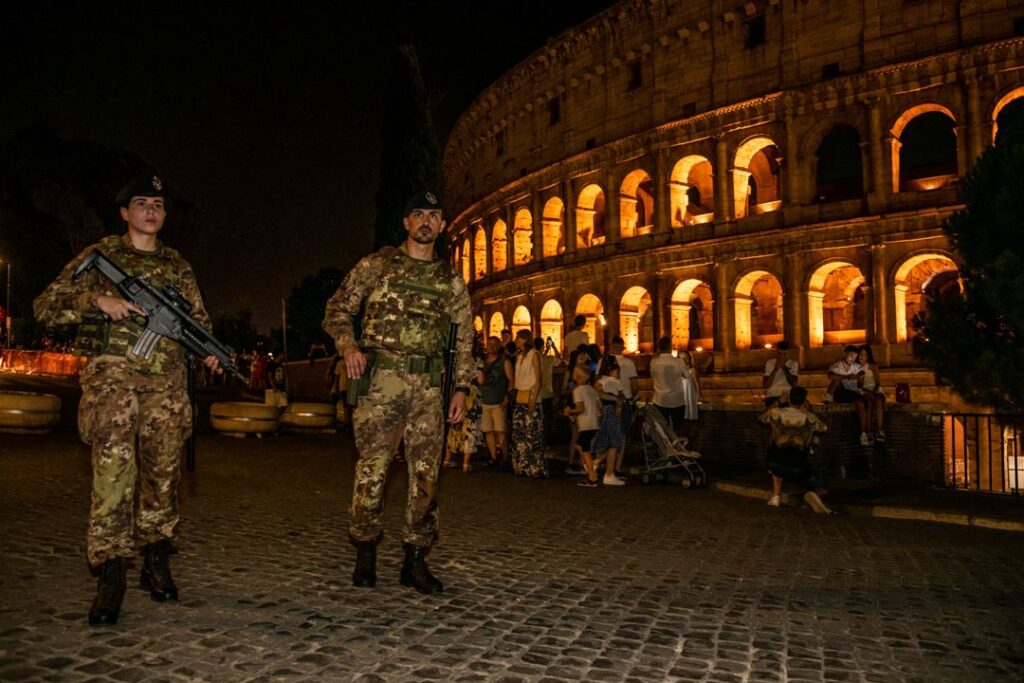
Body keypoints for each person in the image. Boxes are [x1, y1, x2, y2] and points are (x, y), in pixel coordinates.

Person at [32, 175, 221, 625]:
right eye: (141, 203)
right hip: (113, 387)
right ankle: (111, 574)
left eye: (157, 204)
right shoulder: (101, 258)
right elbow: (45, 306)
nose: (151, 211)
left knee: (163, 476)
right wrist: (96, 300)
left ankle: (156, 561)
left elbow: (198, 324)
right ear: (124, 212)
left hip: (167, 390)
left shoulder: (178, 266)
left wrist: (211, 353)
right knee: (113, 478)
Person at [322, 190, 473, 594]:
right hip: (380, 383)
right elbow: (337, 309)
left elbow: (464, 341)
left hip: (428, 387)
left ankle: (415, 559)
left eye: (434, 215)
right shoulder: (377, 265)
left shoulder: (450, 281)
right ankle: (366, 550)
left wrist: (460, 388)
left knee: (426, 475)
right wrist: (348, 346)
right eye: (418, 213)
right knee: (372, 469)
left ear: (441, 226)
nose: (426, 221)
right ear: (406, 222)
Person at [759, 386, 832, 513]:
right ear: (804, 400)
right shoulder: (809, 418)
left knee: (777, 451)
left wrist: (778, 402)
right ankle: (810, 492)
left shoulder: (776, 412)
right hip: (799, 465)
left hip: (775, 463)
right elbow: (824, 428)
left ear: (789, 399)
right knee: (811, 475)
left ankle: (776, 495)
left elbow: (761, 419)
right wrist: (807, 412)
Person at [510, 329, 548, 477]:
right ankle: (522, 465)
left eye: (518, 338)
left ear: (525, 339)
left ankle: (535, 466)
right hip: (520, 396)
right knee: (520, 435)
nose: (515, 341)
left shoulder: (534, 355)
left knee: (532, 434)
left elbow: (538, 379)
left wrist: (533, 401)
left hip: (530, 397)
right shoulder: (519, 356)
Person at [563, 360, 603, 487]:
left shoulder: (578, 391)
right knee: (581, 447)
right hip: (594, 423)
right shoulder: (591, 389)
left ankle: (592, 476)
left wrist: (569, 410)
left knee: (583, 449)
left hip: (585, 424)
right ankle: (591, 470)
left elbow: (580, 409)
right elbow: (599, 410)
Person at [826, 344, 871, 446]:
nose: (853, 359)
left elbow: (861, 374)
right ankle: (828, 397)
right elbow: (830, 375)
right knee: (836, 382)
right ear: (845, 353)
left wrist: (856, 377)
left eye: (855, 357)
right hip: (841, 393)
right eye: (851, 356)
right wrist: (846, 377)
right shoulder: (836, 366)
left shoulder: (856, 366)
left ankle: (863, 433)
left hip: (852, 392)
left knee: (861, 404)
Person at [478, 336, 513, 467]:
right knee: (488, 431)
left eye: (494, 344)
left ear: (499, 346)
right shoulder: (482, 362)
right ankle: (493, 456)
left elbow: (511, 380)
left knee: (501, 431)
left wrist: (507, 397)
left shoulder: (505, 361)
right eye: (489, 344)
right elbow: (480, 381)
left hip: (499, 401)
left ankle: (504, 458)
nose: (492, 347)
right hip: (485, 400)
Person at [592, 356, 627, 485]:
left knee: (610, 441)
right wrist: (617, 401)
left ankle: (601, 464)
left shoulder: (601, 380)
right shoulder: (609, 382)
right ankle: (608, 473)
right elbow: (601, 394)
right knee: (614, 441)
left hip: (605, 411)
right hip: (609, 411)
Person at [649, 336, 690, 435]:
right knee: (678, 428)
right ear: (669, 347)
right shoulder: (678, 361)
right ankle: (677, 447)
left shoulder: (654, 362)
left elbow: (652, 376)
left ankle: (665, 448)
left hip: (659, 400)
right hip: (676, 400)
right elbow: (687, 376)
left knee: (662, 430)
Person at [858, 345, 886, 442]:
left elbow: (878, 382)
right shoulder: (856, 367)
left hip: (875, 388)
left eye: (864, 355)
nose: (862, 357)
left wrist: (874, 391)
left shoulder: (873, 366)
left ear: (868, 356)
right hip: (864, 390)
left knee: (879, 401)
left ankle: (880, 430)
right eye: (860, 354)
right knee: (868, 403)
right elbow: (859, 385)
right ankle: (868, 431)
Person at [762, 340, 798, 407]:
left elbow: (794, 384)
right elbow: (765, 385)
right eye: (780, 354)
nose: (782, 356)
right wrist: (775, 370)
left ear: (788, 353)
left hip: (788, 396)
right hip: (772, 395)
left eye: (784, 354)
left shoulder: (793, 364)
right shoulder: (769, 363)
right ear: (776, 352)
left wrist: (784, 368)